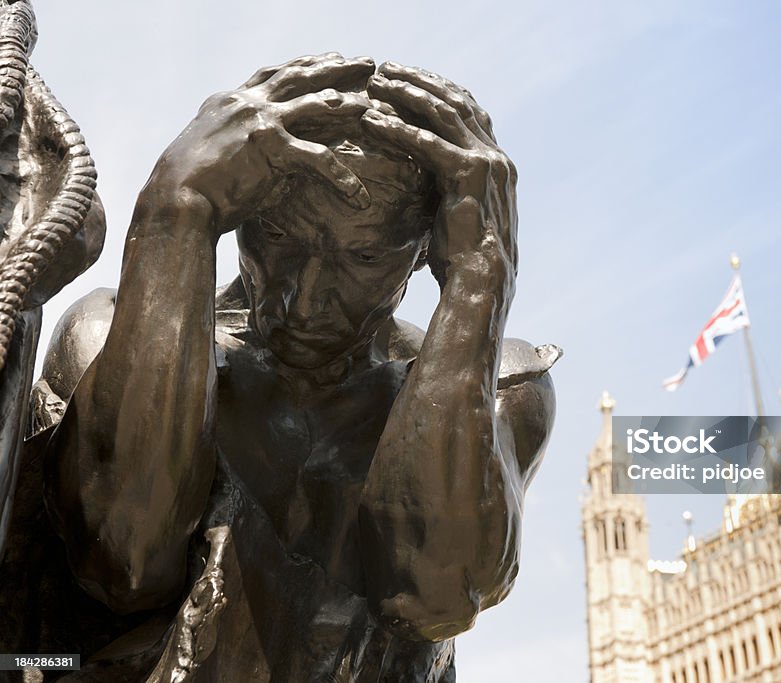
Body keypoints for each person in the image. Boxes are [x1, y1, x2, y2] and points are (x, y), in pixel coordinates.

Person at [26, 53, 558, 681]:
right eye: (276, 240)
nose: (303, 300)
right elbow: (124, 559)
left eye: (363, 256)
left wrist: (480, 282)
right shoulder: (111, 334)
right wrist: (175, 211)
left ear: (426, 253)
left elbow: (432, 597)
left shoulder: (500, 385)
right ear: (239, 216)